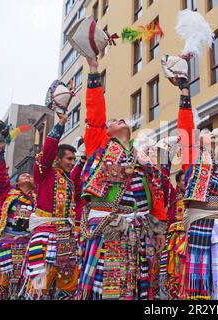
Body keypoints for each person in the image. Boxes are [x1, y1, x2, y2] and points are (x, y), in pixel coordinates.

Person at [75, 57, 166, 300]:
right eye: (114, 121)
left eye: (122, 119)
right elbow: (94, 116)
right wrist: (94, 70)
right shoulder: (100, 146)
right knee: (106, 289)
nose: (120, 120)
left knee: (137, 287)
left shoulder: (143, 156)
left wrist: (159, 229)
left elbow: (155, 195)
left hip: (139, 230)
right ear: (105, 131)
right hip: (109, 226)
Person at [166, 56, 218, 300]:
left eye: (215, 134)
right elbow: (185, 127)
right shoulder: (194, 162)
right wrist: (185, 89)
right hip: (204, 225)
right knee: (205, 285)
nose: (213, 135)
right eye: (206, 133)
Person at [21, 113, 84, 299]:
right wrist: (61, 125)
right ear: (58, 159)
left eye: (74, 159)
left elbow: (80, 195)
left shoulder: (70, 181)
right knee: (39, 286)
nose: (72, 163)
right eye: (69, 159)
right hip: (45, 237)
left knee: (69, 286)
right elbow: (47, 151)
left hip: (67, 238)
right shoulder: (45, 174)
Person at [0, 145, 36, 299]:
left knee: (28, 281)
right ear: (17, 183)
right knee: (4, 280)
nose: (27, 176)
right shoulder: (8, 192)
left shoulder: (38, 199)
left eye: (30, 175)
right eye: (23, 175)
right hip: (7, 242)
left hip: (29, 244)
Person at [159, 170, 187, 300]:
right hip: (174, 240)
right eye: (183, 181)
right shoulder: (173, 195)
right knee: (173, 269)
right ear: (177, 183)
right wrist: (166, 160)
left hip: (190, 237)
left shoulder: (194, 197)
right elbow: (164, 182)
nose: (186, 183)